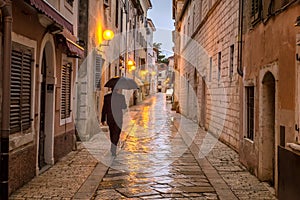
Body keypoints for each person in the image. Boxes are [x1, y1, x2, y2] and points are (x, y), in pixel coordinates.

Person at [101, 87, 127, 156]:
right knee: (117, 132)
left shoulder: (106, 97)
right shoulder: (121, 97)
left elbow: (104, 109)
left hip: (110, 118)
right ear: (118, 89)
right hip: (118, 117)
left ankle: (113, 146)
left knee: (112, 132)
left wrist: (103, 119)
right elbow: (124, 107)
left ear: (111, 89)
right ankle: (113, 148)